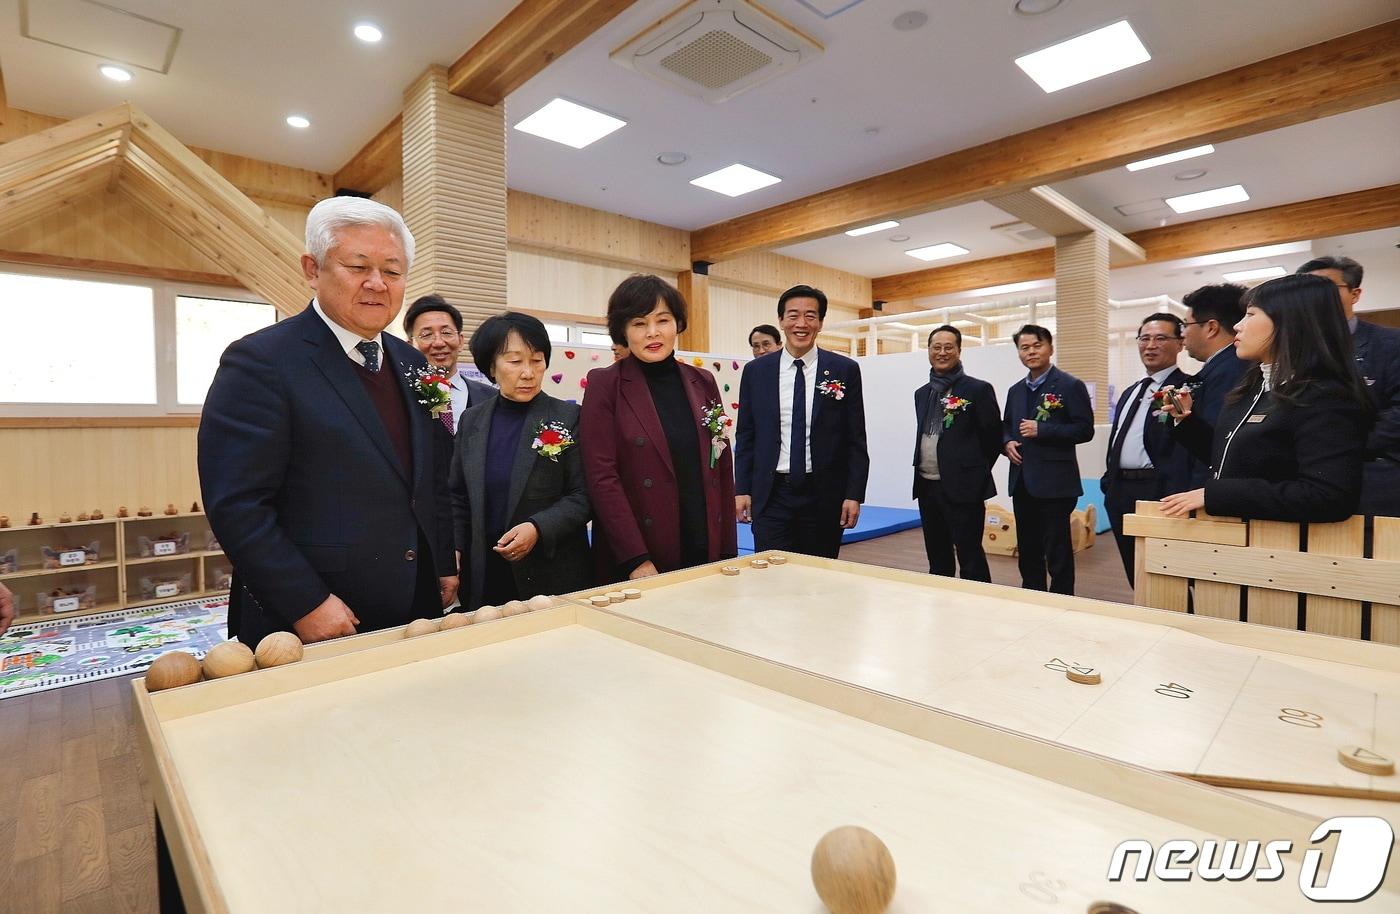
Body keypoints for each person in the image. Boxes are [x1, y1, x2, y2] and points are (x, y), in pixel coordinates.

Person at [199, 197, 458, 646]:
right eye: (358, 266)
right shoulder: (262, 361)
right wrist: (304, 601)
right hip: (318, 612)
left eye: (393, 272)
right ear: (312, 268)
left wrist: (443, 563)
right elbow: (237, 503)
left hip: (414, 599)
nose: (377, 283)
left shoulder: (411, 361)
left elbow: (431, 475)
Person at [1161, 273, 1371, 522]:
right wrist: (1186, 422)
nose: (1238, 326)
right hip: (1240, 538)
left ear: (1291, 321)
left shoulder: (1325, 396)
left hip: (1283, 548)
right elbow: (1234, 458)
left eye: (1250, 315)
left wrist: (1215, 494)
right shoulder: (1254, 386)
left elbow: (1328, 496)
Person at [580, 275, 737, 581]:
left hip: (703, 538)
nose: (653, 333)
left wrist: (728, 549)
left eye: (662, 320)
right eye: (639, 323)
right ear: (623, 331)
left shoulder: (702, 381)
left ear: (677, 324)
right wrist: (635, 559)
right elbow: (601, 477)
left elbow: (720, 463)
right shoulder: (605, 384)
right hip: (642, 552)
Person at [449, 312, 591, 610]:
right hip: (486, 571)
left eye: (537, 360)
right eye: (515, 362)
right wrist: (456, 551)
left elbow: (583, 496)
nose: (528, 372)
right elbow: (458, 496)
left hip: (550, 572)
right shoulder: (472, 420)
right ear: (491, 366)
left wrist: (537, 528)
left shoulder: (568, 417)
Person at [735, 285, 869, 558]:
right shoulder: (756, 372)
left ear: (820, 322)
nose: (801, 324)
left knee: (818, 579)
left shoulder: (845, 369)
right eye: (793, 315)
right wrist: (742, 489)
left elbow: (855, 438)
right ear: (781, 321)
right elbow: (746, 435)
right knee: (771, 575)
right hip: (771, 494)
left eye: (810, 316)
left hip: (824, 495)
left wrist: (854, 494)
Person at [1298, 255, 1400, 516]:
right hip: (1302, 482)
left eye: (1326, 288)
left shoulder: (1390, 344)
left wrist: (1341, 446)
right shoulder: (1292, 349)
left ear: (1355, 294)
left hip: (1373, 480)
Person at [1100, 313, 1195, 585]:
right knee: (1135, 570)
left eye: (1161, 338)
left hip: (1159, 491)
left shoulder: (1187, 387)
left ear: (1180, 343)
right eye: (1145, 338)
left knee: (1166, 573)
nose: (1150, 345)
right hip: (1120, 490)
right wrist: (1109, 482)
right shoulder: (1131, 390)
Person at [1002, 324, 1093, 595]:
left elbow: (1084, 429)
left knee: (1057, 547)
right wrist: (1006, 442)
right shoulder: (1015, 390)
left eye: (1037, 346)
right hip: (1022, 481)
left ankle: (1063, 600)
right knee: (1027, 547)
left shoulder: (1069, 385)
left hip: (1055, 483)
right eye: (1024, 347)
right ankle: (1032, 595)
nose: (1031, 352)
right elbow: (1006, 426)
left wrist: (1044, 429)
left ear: (1050, 348)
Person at [911, 325, 1001, 581]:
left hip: (965, 488)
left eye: (948, 347)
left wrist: (972, 472)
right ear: (928, 351)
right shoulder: (922, 393)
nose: (942, 352)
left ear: (959, 351)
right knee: (937, 557)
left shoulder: (977, 390)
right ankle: (942, 608)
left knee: (970, 556)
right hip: (927, 486)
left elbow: (993, 438)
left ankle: (979, 607)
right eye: (936, 347)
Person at [1177, 284, 1250, 485]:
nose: (1182, 334)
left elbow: (1216, 444)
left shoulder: (1230, 369)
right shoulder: (1222, 366)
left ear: (1211, 327)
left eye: (1186, 325)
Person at [403, 293, 495, 434]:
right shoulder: (399, 397)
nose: (439, 343)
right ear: (409, 346)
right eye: (427, 335)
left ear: (460, 341)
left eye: (446, 332)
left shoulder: (492, 398)